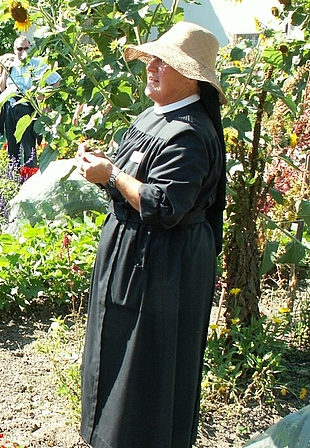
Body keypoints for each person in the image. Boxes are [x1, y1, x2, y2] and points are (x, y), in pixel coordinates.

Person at [76, 22, 227, 448]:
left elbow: (163, 204)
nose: (152, 67)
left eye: (165, 62)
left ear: (192, 75)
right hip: (134, 256)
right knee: (119, 353)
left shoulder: (191, 134)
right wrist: (107, 167)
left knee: (149, 367)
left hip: (164, 268)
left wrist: (112, 175)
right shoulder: (154, 115)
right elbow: (132, 172)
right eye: (153, 59)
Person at [0, 36, 61, 167]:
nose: (23, 51)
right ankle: (13, 175)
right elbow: (1, 87)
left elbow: (56, 81)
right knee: (12, 144)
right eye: (20, 49)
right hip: (10, 107)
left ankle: (30, 173)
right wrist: (5, 70)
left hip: (27, 107)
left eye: (26, 48)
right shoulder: (11, 65)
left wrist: (43, 97)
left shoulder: (37, 64)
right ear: (15, 50)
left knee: (28, 145)